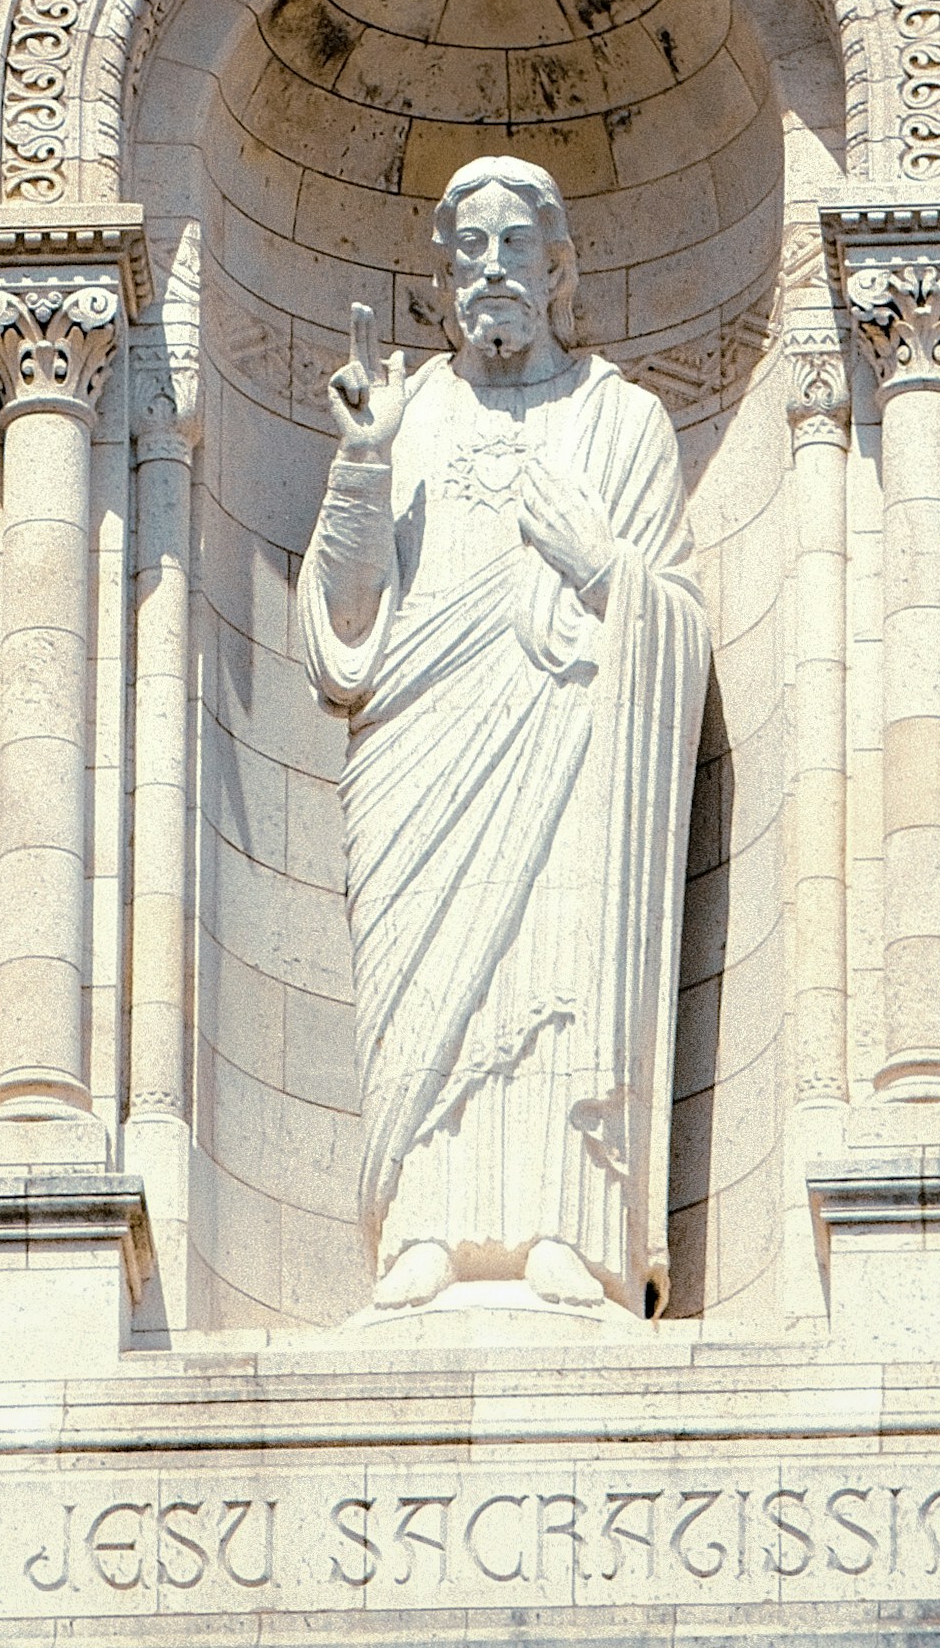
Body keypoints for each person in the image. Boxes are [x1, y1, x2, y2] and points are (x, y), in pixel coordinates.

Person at [297, 155, 707, 1312]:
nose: (491, 267)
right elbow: (347, 620)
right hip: (419, 748)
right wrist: (362, 459)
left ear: (559, 264)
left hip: (570, 745)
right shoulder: (403, 412)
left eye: (514, 244)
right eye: (469, 248)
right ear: (442, 277)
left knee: (559, 966)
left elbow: (675, 620)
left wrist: (600, 568)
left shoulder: (622, 421)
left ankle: (567, 1228)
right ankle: (424, 1220)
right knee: (427, 976)